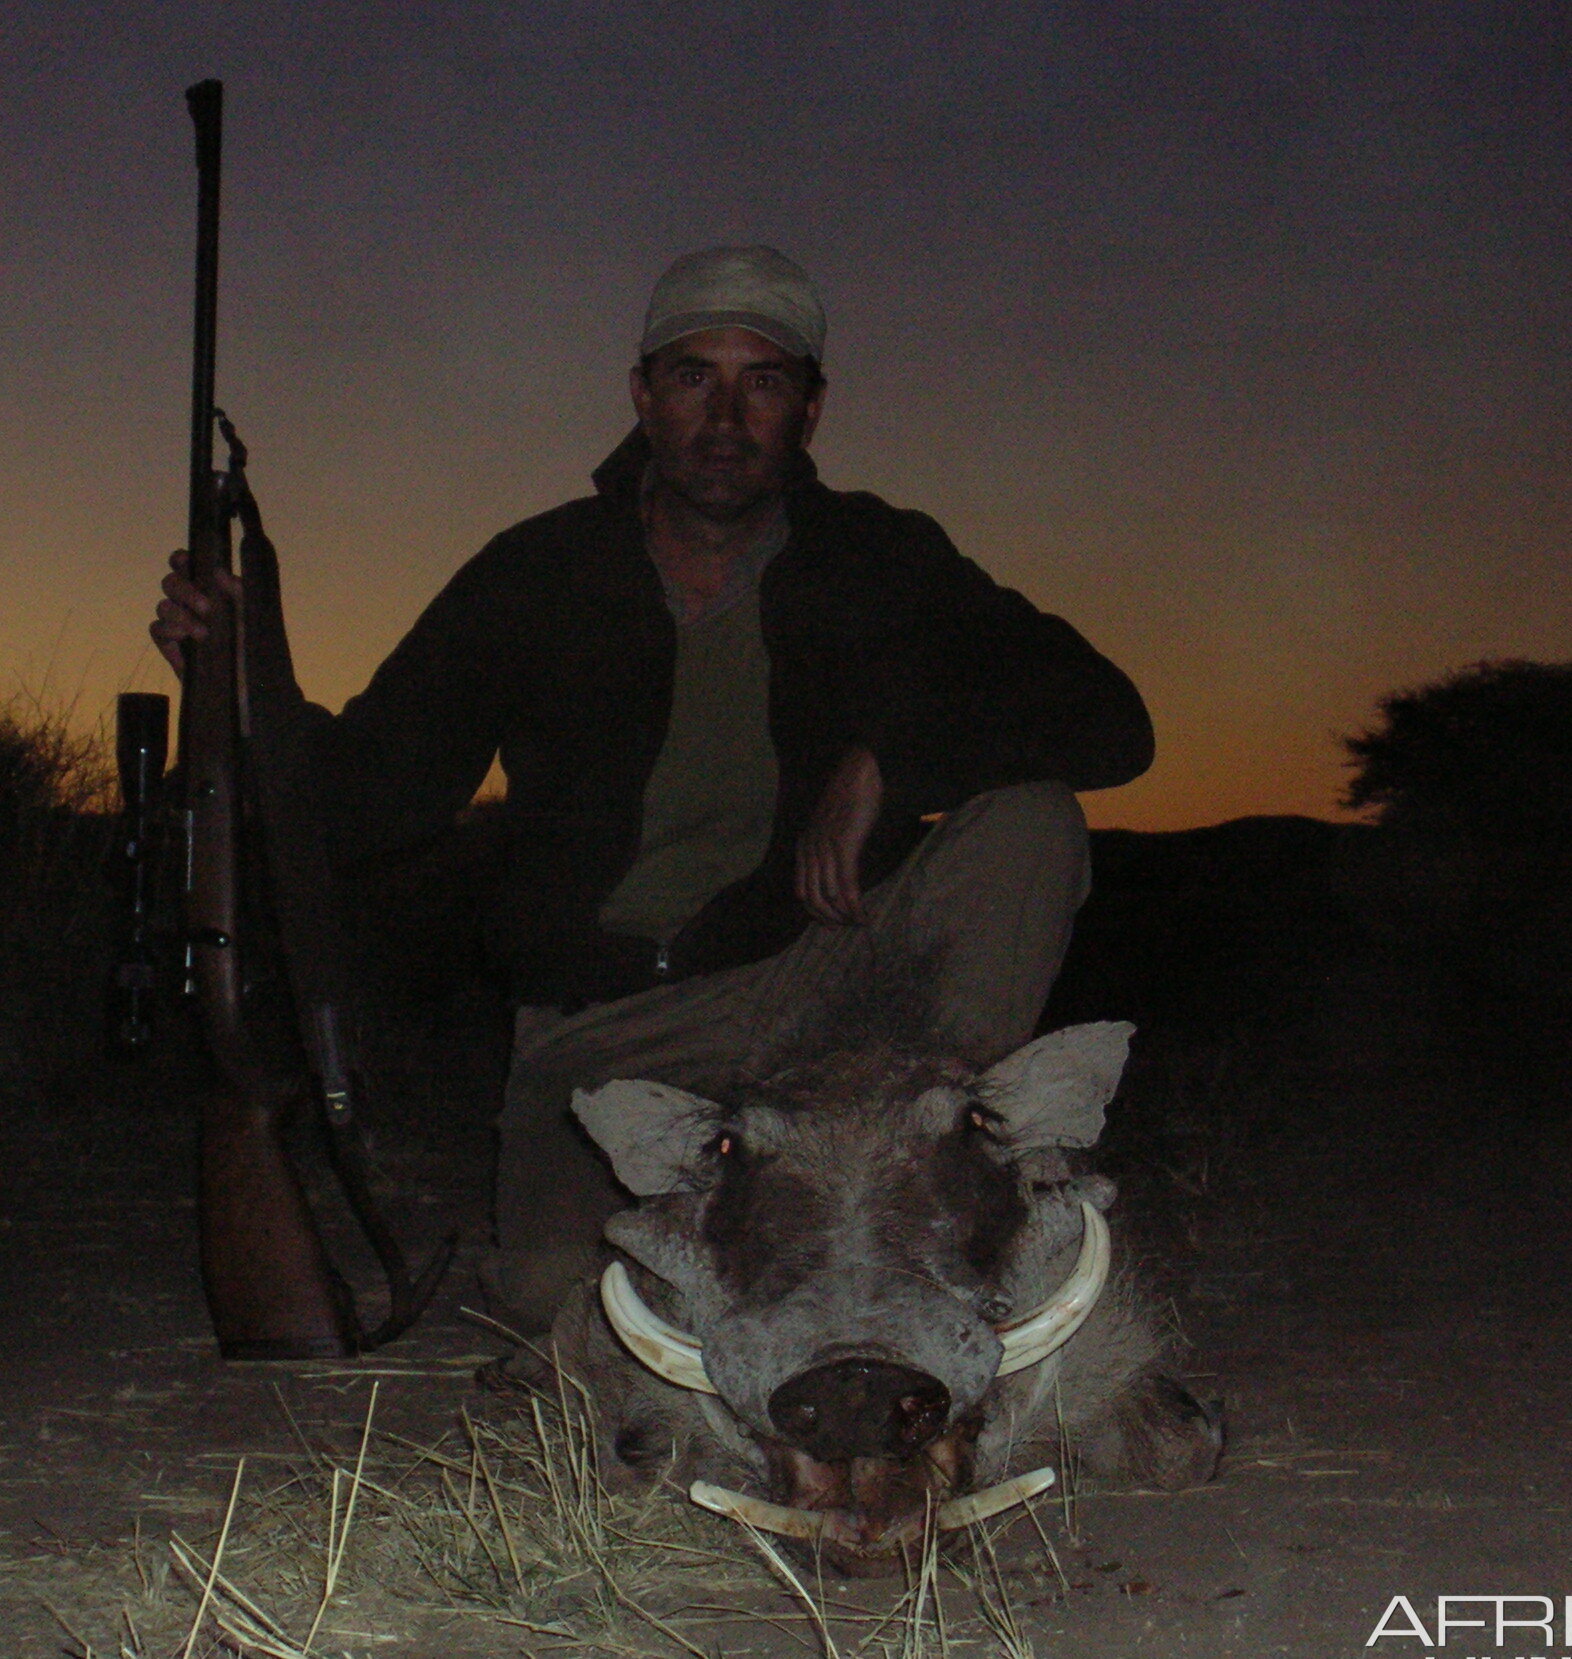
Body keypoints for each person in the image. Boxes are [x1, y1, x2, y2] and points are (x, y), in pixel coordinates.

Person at [152, 246, 1153, 1329]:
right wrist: (244, 689)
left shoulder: (879, 553)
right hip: (601, 1040)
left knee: (1028, 823)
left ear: (809, 411)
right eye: (690, 377)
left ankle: (935, 1166)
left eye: (761, 381)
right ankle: (813, 1221)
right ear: (642, 395)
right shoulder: (533, 570)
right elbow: (367, 800)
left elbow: (1107, 716)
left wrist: (894, 761)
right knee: (570, 1308)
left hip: (815, 982)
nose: (723, 415)